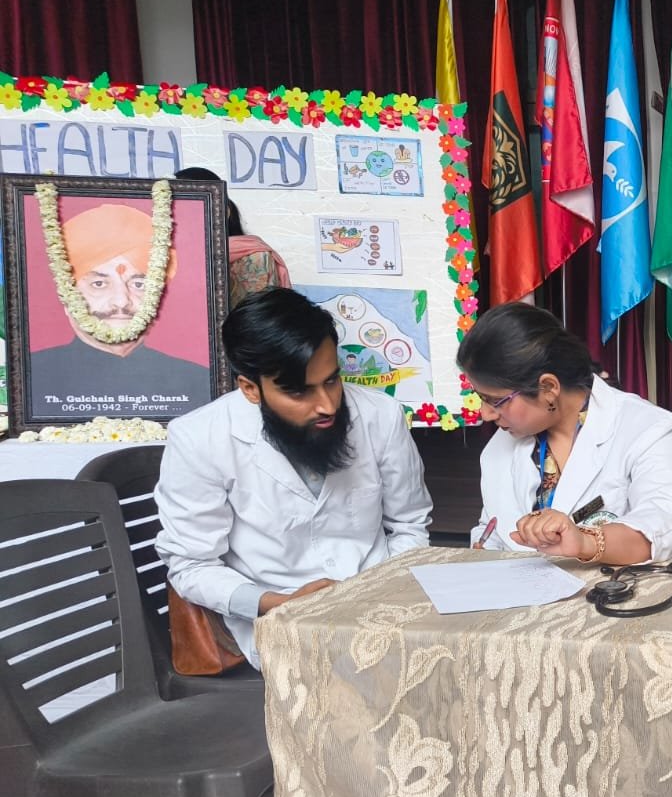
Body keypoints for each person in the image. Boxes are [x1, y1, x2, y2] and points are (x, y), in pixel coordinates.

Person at [154, 287, 432, 668]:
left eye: (332, 381)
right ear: (250, 388)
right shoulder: (199, 438)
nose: (327, 405)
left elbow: (409, 525)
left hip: (382, 604)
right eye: (300, 392)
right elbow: (191, 565)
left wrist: (376, 595)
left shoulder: (380, 416)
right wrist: (278, 604)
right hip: (276, 621)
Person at [458, 302, 672, 563]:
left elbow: (665, 519)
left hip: (617, 586)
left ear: (548, 388)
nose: (485, 414)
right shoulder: (502, 443)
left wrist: (585, 541)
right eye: (481, 398)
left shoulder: (646, 428)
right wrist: (484, 552)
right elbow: (493, 525)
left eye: (496, 401)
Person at [28, 202, 212, 418]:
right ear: (67, 293)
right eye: (99, 284)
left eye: (139, 284)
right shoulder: (30, 375)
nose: (121, 302)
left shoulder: (198, 380)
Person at [173, 166, 292, 307]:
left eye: (187, 207)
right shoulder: (163, 256)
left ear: (223, 212)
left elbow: (257, 315)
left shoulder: (255, 257)